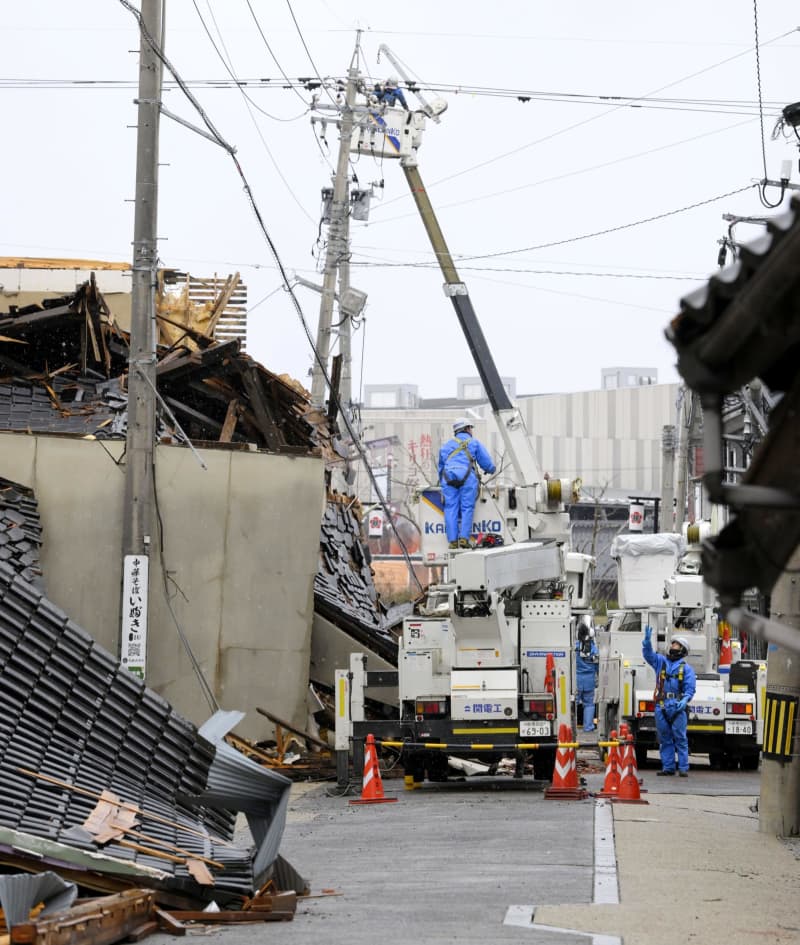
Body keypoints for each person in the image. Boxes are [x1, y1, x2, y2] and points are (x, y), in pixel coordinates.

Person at [642, 628, 697, 776]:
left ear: (682, 649)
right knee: (664, 738)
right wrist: (647, 643)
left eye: (676, 645)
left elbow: (690, 688)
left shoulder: (686, 669)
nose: (673, 647)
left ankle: (683, 768)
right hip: (662, 705)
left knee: (680, 738)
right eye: (672, 644)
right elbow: (649, 656)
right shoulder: (661, 662)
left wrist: (685, 699)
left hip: (677, 707)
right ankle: (668, 767)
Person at [438, 418, 496, 549]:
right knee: (466, 508)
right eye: (470, 428)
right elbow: (486, 462)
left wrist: (441, 483)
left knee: (450, 508)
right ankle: (464, 539)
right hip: (467, 478)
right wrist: (491, 469)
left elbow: (441, 468)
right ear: (467, 429)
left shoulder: (446, 446)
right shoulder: (474, 443)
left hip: (448, 478)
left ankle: (452, 541)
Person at [575, 618, 599, 732]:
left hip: (576, 680)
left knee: (573, 703)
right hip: (589, 680)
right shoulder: (594, 648)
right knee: (589, 704)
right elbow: (598, 664)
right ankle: (588, 726)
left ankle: (570, 726)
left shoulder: (575, 647)